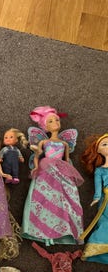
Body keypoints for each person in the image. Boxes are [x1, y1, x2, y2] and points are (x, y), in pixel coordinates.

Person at [21, 105, 83, 245]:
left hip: (61, 169)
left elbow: (67, 160)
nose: (55, 123)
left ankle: (64, 229)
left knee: (64, 198)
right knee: (43, 198)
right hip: (46, 169)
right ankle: (43, 230)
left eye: (57, 120)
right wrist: (36, 167)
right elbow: (37, 156)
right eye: (51, 121)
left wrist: (69, 173)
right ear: (45, 127)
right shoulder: (44, 142)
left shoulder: (64, 144)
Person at [79, 133, 108, 262]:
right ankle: (100, 247)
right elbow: (98, 187)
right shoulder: (100, 170)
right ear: (98, 150)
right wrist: (96, 198)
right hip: (106, 200)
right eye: (104, 144)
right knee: (105, 221)